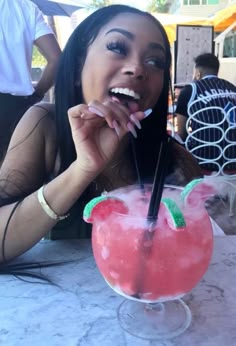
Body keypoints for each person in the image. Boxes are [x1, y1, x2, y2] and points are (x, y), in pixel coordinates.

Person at [0, 4, 202, 264]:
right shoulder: (44, 125)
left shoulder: (174, 162)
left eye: (155, 61)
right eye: (117, 47)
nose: (138, 69)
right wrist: (82, 170)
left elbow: (193, 253)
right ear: (76, 68)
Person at [0, 0, 61, 163]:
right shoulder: (25, 7)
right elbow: (57, 59)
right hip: (17, 110)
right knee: (15, 180)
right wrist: (37, 94)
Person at [175, 53, 236, 175]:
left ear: (197, 74)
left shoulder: (190, 90)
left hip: (203, 162)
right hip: (233, 160)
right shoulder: (233, 89)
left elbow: (181, 133)